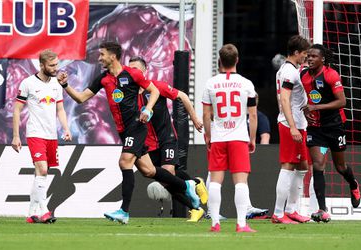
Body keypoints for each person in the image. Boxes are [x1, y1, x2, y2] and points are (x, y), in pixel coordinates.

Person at [57, 41, 200, 224]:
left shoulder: (132, 74)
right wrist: (65, 85)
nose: (99, 58)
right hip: (123, 131)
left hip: (136, 127)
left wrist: (147, 110)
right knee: (148, 171)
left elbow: (154, 91)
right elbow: (80, 98)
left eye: (102, 54)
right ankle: (186, 185)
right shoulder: (103, 79)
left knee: (124, 162)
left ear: (113, 56)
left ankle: (124, 212)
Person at [128, 56, 207, 222]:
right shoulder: (130, 94)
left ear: (144, 71)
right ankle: (196, 201)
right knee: (165, 180)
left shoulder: (156, 87)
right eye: (130, 69)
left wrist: (194, 119)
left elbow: (183, 96)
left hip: (166, 137)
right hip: (148, 144)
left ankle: (194, 192)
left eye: (135, 69)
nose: (132, 73)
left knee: (169, 171)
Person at [301, 44, 361, 222]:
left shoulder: (330, 74)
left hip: (335, 125)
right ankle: (322, 209)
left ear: (322, 59)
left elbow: (342, 101)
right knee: (318, 165)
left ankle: (353, 183)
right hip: (315, 128)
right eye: (308, 56)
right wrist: (306, 111)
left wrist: (315, 107)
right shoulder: (303, 75)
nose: (310, 59)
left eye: (313, 56)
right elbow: (304, 99)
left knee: (340, 167)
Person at [12, 49, 72, 224]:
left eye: (57, 64)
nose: (56, 68)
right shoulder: (28, 83)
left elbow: (60, 109)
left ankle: (32, 213)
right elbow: (16, 110)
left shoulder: (56, 84)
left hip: (51, 135)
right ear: (42, 65)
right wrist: (16, 136)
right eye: (52, 65)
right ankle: (45, 211)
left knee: (41, 174)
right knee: (43, 170)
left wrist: (66, 128)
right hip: (35, 133)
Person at [202, 44, 257, 233]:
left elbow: (206, 115)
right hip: (239, 138)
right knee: (240, 182)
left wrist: (208, 136)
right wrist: (252, 138)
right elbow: (253, 116)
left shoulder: (210, 83)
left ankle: (214, 223)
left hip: (218, 137)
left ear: (220, 61)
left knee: (216, 181)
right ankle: (241, 224)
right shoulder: (246, 84)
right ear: (237, 60)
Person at [272, 35, 311, 224]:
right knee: (288, 166)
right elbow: (285, 100)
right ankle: (279, 213)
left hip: (298, 123)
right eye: (304, 53)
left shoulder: (290, 70)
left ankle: (291, 210)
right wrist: (293, 126)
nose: (306, 57)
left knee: (302, 166)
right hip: (290, 125)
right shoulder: (289, 71)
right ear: (296, 53)